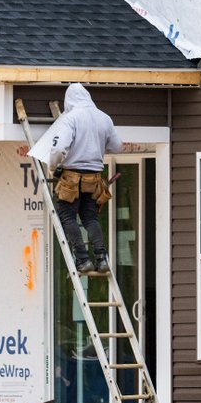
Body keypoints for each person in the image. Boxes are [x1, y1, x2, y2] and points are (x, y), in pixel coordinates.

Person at [30, 83, 123, 275]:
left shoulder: (70, 118)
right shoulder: (104, 118)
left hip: (71, 177)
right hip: (94, 178)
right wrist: (96, 147)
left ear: (69, 100)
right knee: (90, 218)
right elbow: (117, 146)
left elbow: (58, 148)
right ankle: (101, 258)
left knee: (68, 217)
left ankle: (82, 260)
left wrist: (53, 167)